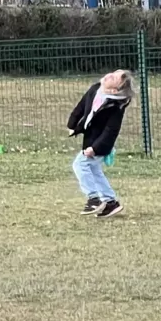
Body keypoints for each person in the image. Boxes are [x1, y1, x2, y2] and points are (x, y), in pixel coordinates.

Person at [67, 69, 133, 218]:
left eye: (114, 78)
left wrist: (95, 148)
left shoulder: (116, 106)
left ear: (116, 90)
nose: (109, 75)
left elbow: (111, 131)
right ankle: (110, 203)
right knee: (94, 170)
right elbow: (82, 106)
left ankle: (94, 199)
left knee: (80, 165)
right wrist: (72, 124)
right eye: (113, 73)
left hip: (100, 144)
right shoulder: (96, 89)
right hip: (90, 139)